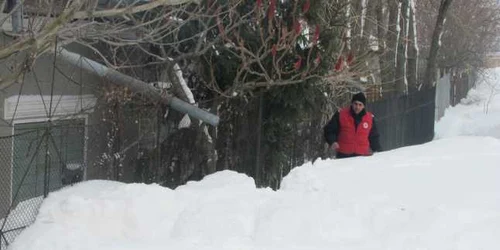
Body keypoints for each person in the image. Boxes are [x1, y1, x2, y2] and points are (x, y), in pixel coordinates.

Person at [323, 92, 382, 159]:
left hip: (362, 156)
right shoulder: (341, 114)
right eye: (355, 104)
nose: (357, 107)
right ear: (352, 104)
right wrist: (332, 141)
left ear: (364, 106)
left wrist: (378, 151)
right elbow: (329, 130)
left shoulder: (370, 118)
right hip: (343, 156)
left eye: (360, 105)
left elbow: (374, 137)